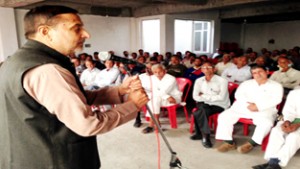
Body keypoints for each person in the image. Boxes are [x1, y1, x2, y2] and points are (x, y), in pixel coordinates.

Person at [0, 5, 149, 169]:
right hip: (54, 160)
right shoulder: (48, 71)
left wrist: (119, 91)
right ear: (45, 32)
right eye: (76, 28)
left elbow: (74, 97)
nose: (86, 34)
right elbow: (89, 124)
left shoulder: (15, 61)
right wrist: (133, 105)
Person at [216, 65, 283, 154]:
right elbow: (238, 95)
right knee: (224, 116)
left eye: (260, 72)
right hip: (244, 107)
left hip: (264, 109)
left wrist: (258, 106)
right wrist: (249, 104)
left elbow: (276, 99)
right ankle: (229, 142)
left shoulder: (276, 86)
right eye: (255, 73)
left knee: (266, 123)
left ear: (266, 72)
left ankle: (252, 143)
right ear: (252, 75)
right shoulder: (246, 83)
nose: (258, 74)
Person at [252, 88, 300, 169]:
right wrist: (287, 121)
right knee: (276, 131)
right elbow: (288, 111)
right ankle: (272, 162)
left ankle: (276, 163)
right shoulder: (294, 93)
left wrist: (298, 125)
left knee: (294, 136)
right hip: (292, 119)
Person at [190, 62, 230, 148]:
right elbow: (195, 96)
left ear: (214, 69)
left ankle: (201, 134)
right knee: (203, 109)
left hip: (219, 104)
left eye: (209, 67)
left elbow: (221, 97)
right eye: (204, 67)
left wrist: (203, 96)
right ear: (201, 70)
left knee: (199, 112)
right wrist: (209, 97)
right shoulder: (199, 80)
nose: (206, 69)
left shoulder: (222, 81)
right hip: (203, 103)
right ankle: (205, 136)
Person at [142, 64, 182, 133]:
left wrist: (167, 96)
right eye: (155, 72)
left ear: (165, 71)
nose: (157, 74)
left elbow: (164, 91)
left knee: (154, 99)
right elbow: (147, 89)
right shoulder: (152, 78)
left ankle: (151, 125)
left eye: (160, 71)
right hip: (162, 98)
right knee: (155, 99)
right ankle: (156, 123)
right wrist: (166, 96)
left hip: (173, 98)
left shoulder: (171, 78)